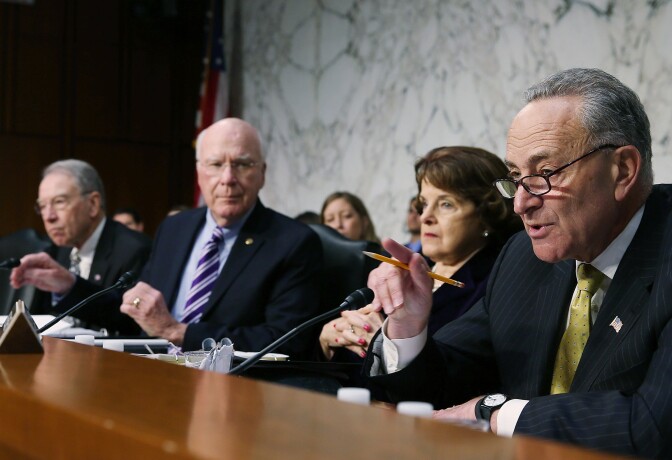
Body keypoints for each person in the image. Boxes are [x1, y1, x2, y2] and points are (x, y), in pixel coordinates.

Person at [363, 68, 672, 458]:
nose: (521, 203)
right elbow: (441, 387)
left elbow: (654, 426)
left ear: (622, 170)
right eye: (515, 177)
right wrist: (407, 326)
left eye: (545, 174)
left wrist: (495, 414)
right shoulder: (522, 258)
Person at [119, 118, 323, 356]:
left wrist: (177, 332)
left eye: (242, 164)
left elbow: (283, 340)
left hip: (233, 382)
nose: (227, 178)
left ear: (262, 174)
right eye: (215, 164)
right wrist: (70, 285)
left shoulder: (292, 242)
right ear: (199, 173)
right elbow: (137, 311)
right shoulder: (174, 228)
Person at [319, 147, 521, 364]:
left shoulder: (497, 283)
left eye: (446, 204)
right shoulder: (405, 268)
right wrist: (330, 339)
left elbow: (457, 370)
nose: (425, 217)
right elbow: (359, 336)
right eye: (424, 204)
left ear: (487, 213)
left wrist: (386, 344)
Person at [10, 159, 152, 334]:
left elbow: (132, 323)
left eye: (59, 202)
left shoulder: (134, 250)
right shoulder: (57, 250)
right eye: (43, 206)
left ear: (92, 204)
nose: (48, 216)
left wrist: (70, 286)